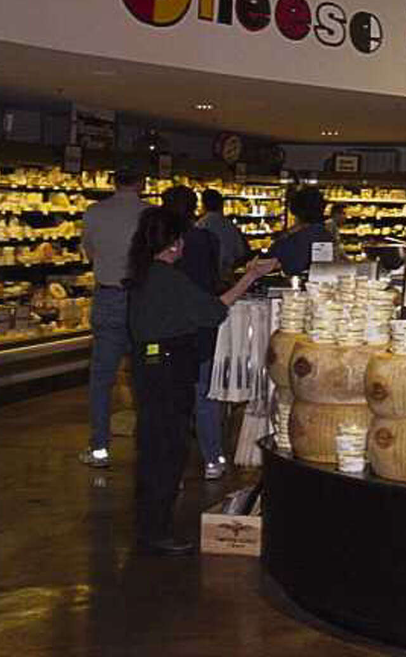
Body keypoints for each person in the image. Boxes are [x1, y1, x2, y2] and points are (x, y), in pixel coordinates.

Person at [126, 207, 276, 554]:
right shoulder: (168, 279)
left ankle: (150, 525)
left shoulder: (144, 274)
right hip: (168, 369)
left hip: (148, 366)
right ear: (173, 243)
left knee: (153, 446)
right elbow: (212, 310)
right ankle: (157, 532)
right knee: (169, 449)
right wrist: (250, 277)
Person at [79, 167, 149, 468]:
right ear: (142, 183)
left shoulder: (94, 212)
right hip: (142, 300)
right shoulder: (150, 214)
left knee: (101, 379)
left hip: (108, 296)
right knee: (146, 376)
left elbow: (90, 252)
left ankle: (99, 448)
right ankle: (148, 446)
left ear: (112, 182)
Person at [162, 186, 228, 480]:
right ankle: (212, 459)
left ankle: (170, 465)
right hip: (201, 326)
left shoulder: (156, 241)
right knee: (205, 395)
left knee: (168, 397)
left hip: (167, 328)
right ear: (194, 209)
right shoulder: (206, 239)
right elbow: (214, 279)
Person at [267, 186, 334, 275]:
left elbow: (271, 259)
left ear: (294, 210)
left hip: (292, 280)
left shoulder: (291, 239)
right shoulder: (325, 234)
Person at [197, 188, 249, 279]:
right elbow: (240, 252)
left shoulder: (200, 225)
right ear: (221, 204)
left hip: (206, 274)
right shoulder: (229, 225)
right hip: (227, 273)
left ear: (203, 204)